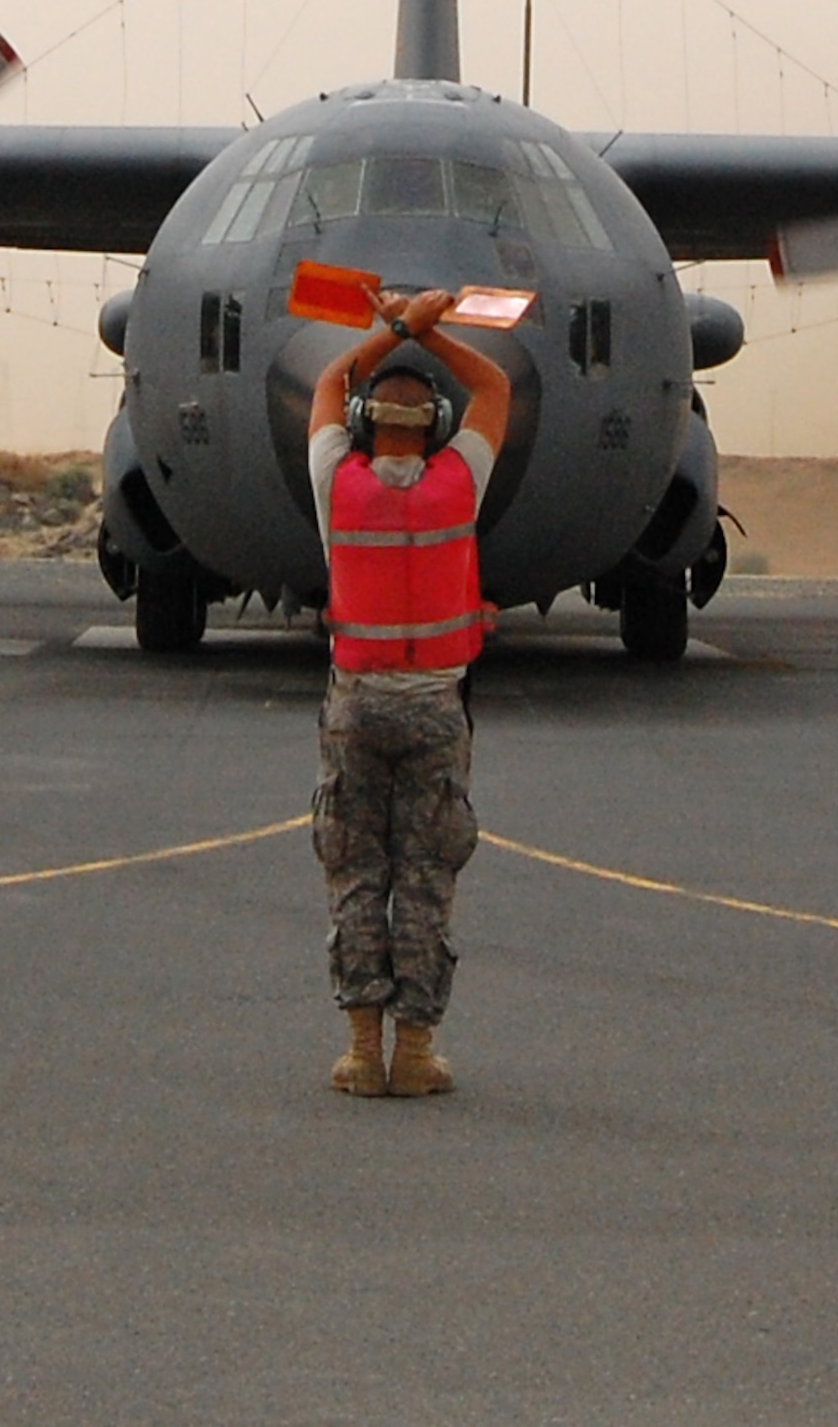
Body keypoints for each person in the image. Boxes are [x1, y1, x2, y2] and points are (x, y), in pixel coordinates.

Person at [307, 285, 511, 1096]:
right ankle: (416, 1055)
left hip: (355, 702)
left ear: (362, 426)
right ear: (434, 431)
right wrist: (438, 329)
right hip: (433, 708)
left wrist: (391, 328)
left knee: (356, 873)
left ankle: (361, 1051)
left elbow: (327, 384)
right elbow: (495, 389)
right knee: (425, 879)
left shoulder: (336, 485)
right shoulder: (458, 481)